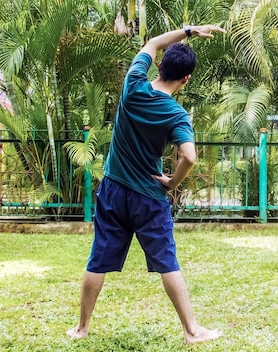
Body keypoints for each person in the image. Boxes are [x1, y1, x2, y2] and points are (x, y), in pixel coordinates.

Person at [66, 24, 226, 344]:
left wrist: (189, 31)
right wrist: (171, 183)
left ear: (161, 64)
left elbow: (153, 42)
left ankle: (81, 328)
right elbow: (189, 157)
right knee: (167, 260)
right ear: (185, 79)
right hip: (149, 198)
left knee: (98, 258)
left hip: (113, 190)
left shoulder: (133, 84)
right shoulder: (176, 114)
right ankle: (192, 331)